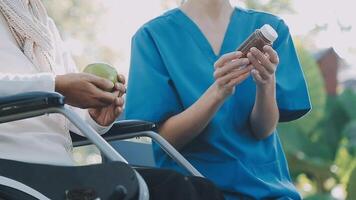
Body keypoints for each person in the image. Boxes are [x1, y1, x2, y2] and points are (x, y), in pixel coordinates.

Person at [0, 1, 225, 199]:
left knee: (198, 190)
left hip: (61, 172)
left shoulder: (41, 23)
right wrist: (56, 85)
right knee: (176, 191)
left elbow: (66, 109)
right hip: (14, 171)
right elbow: (57, 88)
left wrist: (95, 117)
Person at [125, 0, 311, 199]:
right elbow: (164, 140)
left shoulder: (272, 29)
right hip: (194, 189)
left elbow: (263, 130)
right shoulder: (153, 37)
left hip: (265, 189)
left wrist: (266, 84)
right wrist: (218, 93)